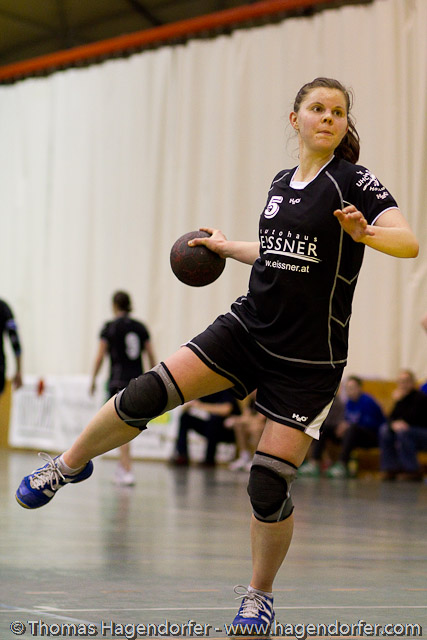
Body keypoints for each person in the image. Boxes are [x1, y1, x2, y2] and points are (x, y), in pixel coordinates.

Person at [15, 77, 419, 634]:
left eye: (338, 111)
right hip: (248, 328)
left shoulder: (352, 180)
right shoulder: (281, 183)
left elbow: (408, 242)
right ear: (296, 118)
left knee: (267, 484)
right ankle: (66, 466)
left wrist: (365, 232)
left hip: (310, 358)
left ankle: (259, 595)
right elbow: (276, 253)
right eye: (317, 108)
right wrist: (229, 249)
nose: (328, 118)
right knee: (146, 392)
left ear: (345, 123)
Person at [89, 291, 156, 485]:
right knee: (128, 424)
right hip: (138, 381)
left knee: (121, 425)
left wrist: (93, 378)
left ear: (114, 306)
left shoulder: (110, 328)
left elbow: (100, 356)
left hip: (118, 382)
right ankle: (122, 466)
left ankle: (127, 468)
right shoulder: (140, 327)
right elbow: (151, 355)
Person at [326, 375, 386, 478]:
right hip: (353, 435)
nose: (349, 391)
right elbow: (347, 420)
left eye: (352, 388)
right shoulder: (349, 402)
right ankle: (315, 462)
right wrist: (342, 426)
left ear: (359, 388)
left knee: (352, 429)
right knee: (327, 428)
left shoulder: (368, 401)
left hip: (372, 437)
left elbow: (371, 424)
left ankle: (342, 464)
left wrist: (348, 426)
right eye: (347, 389)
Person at [379, 369, 427, 482]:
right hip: (406, 431)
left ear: (412, 382)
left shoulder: (420, 397)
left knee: (403, 432)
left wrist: (399, 401)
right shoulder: (401, 398)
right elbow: (390, 418)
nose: (403, 385)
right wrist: (393, 424)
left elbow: (413, 418)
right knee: (385, 430)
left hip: (422, 432)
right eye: (400, 382)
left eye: (406, 381)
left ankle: (412, 470)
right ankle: (390, 468)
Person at [170, 390, 239, 467]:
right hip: (210, 429)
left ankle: (209, 459)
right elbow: (189, 406)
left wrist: (200, 405)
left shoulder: (225, 389)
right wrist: (189, 405)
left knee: (214, 420)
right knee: (185, 418)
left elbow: (226, 409)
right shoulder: (206, 390)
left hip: (228, 431)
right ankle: (182, 455)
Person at [298, 392, 346, 477]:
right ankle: (309, 462)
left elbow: (333, 421)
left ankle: (315, 463)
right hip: (323, 429)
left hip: (335, 431)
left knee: (321, 431)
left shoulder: (336, 402)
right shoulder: (319, 398)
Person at [226, 392, 266, 472]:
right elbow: (246, 416)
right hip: (253, 424)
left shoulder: (265, 401)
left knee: (255, 428)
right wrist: (237, 420)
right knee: (239, 426)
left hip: (266, 426)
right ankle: (244, 456)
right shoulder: (251, 401)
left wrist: (236, 420)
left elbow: (259, 419)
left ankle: (255, 458)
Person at [0, 298, 23, 395]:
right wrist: (19, 370)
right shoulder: (3, 308)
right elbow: (15, 341)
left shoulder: (3, 308)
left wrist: (19, 371)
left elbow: (14, 340)